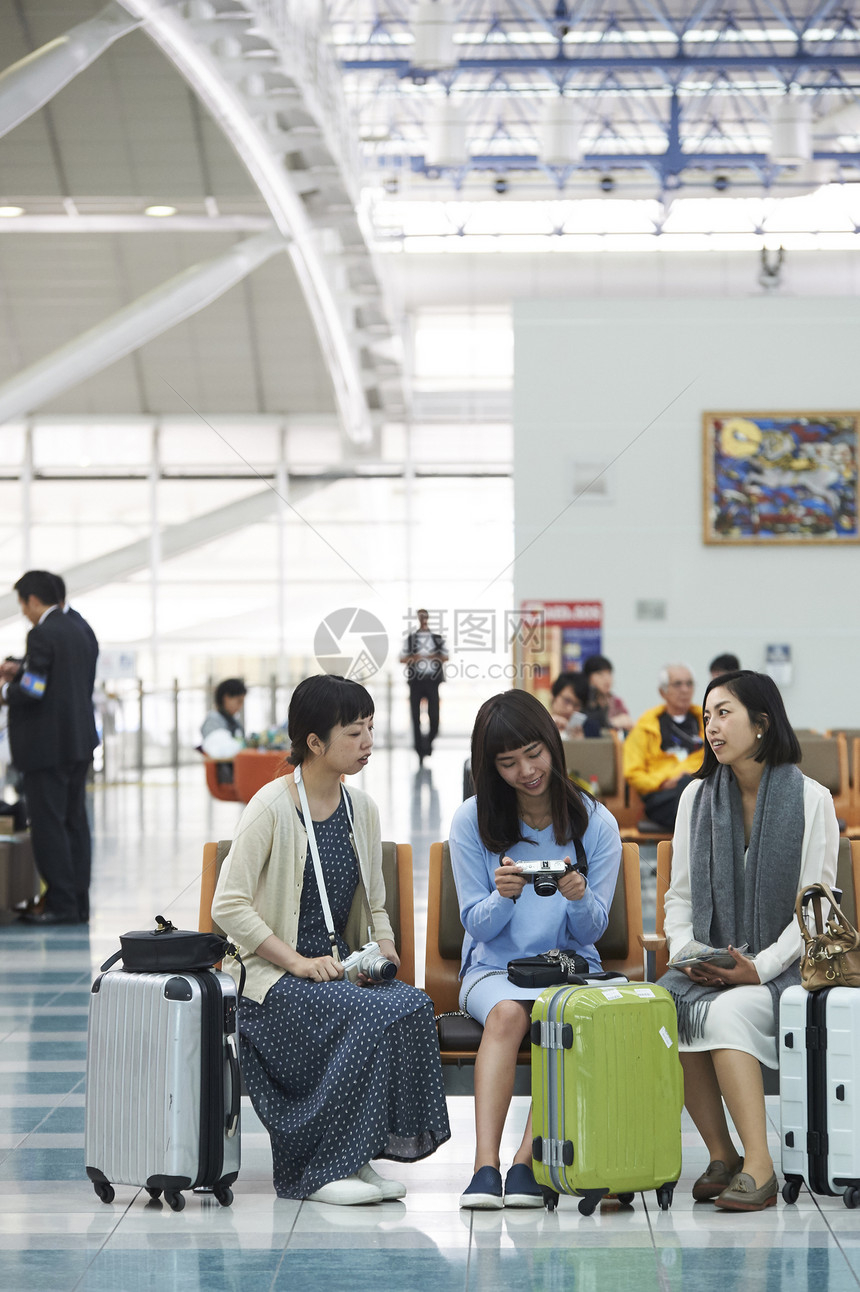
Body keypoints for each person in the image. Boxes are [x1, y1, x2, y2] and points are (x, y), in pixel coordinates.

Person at [211, 674, 450, 1205]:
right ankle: (316, 1171)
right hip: (271, 978)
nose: (367, 742)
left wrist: (382, 947)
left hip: (338, 968)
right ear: (314, 743)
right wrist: (295, 961)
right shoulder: (271, 806)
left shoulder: (359, 809)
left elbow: (376, 904)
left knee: (410, 1005)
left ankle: (357, 1156)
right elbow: (227, 906)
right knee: (363, 1013)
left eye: (369, 728)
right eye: (353, 732)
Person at [659, 670, 838, 1212]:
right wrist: (685, 954)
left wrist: (755, 969)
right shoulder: (696, 797)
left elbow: (814, 913)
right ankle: (722, 1153)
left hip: (782, 969)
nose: (711, 726)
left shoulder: (811, 800)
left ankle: (760, 1163)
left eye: (724, 713)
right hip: (709, 962)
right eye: (707, 716)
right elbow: (680, 898)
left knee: (725, 1013)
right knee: (665, 1006)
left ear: (761, 723)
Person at [449, 689, 622, 1210]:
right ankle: (485, 1165)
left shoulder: (596, 823)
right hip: (494, 968)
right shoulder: (472, 821)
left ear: (552, 744)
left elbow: (593, 933)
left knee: (554, 1017)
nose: (526, 770)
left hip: (567, 969)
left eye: (534, 753)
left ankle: (526, 1162)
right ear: (489, 767)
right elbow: (473, 922)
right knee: (507, 1014)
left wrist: (578, 897)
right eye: (507, 762)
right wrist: (503, 898)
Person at [0, 571, 99, 925]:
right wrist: (22, 669)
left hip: (45, 748)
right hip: (78, 743)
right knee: (74, 823)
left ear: (32, 600)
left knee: (48, 825)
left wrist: (5, 689)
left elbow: (35, 689)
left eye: (23, 604)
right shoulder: (80, 627)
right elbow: (61, 679)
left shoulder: (41, 633)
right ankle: (77, 903)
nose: (24, 612)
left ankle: (59, 904)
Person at [623, 663, 704, 829]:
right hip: (662, 795)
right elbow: (633, 773)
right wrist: (662, 782)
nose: (685, 690)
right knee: (689, 794)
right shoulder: (646, 727)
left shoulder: (707, 722)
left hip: (700, 789)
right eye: (678, 684)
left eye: (689, 684)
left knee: (693, 790)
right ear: (662, 691)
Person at [400, 608, 448, 763]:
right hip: (416, 681)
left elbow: (446, 656)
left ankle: (428, 743)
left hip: (432, 680)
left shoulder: (437, 638)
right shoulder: (411, 639)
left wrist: (434, 657)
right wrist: (416, 658)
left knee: (434, 715)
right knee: (415, 716)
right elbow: (402, 659)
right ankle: (419, 750)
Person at [201, 678, 247, 782]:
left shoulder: (231, 720)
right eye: (239, 701)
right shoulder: (213, 721)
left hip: (237, 771)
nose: (240, 706)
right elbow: (220, 751)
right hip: (228, 776)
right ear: (226, 698)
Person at [582, 655, 633, 733]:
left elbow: (629, 724)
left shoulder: (616, 702)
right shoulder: (582, 700)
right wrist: (611, 723)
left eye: (609, 673)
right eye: (600, 674)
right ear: (588, 677)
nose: (607, 678)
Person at [548, 671, 598, 738]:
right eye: (566, 701)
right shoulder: (538, 725)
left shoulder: (590, 729)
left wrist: (580, 744)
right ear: (554, 696)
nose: (570, 709)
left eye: (577, 705)